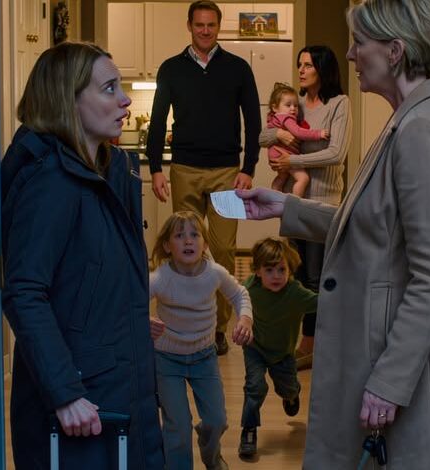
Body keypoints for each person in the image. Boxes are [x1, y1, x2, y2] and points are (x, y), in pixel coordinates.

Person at [237, 0, 430, 468]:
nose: (349, 55)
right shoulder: (408, 120)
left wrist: (390, 381)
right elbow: (378, 224)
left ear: (395, 52)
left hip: (386, 361)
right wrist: (288, 207)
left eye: (359, 43)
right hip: (375, 349)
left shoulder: (420, 133)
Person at [1, 42, 164, 468]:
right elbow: (24, 292)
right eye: (110, 88)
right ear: (66, 100)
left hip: (116, 385)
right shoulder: (50, 182)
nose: (124, 100)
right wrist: (65, 392)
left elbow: (84, 276)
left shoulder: (108, 172)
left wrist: (126, 316)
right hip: (84, 399)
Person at [146, 0, 262, 356]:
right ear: (190, 26)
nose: (205, 31)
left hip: (227, 170)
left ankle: (217, 328)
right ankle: (184, 321)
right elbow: (158, 120)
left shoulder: (238, 68)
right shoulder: (171, 68)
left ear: (218, 27)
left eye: (211, 25)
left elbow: (253, 121)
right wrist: (155, 168)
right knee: (186, 249)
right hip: (184, 169)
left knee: (223, 249)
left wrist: (248, 167)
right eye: (199, 25)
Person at [259, 45, 352, 370]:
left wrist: (293, 161)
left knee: (315, 278)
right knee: (294, 275)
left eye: (308, 65)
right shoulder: (295, 104)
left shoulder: (339, 104)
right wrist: (278, 134)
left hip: (323, 203)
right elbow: (264, 135)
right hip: (294, 202)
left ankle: (311, 346)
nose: (301, 70)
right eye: (300, 64)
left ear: (323, 70)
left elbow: (336, 153)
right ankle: (296, 341)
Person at [148, 211, 254, 470]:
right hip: (167, 360)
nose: (188, 241)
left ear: (205, 244)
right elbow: (131, 304)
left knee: (217, 421)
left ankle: (211, 457)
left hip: (204, 357)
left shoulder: (214, 273)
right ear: (167, 246)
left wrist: (245, 319)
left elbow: (239, 294)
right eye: (179, 235)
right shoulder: (160, 278)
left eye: (195, 235)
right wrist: (143, 321)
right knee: (177, 427)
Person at [237, 237, 318, 458]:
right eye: (269, 270)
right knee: (254, 387)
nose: (276, 276)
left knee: (287, 389)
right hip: (255, 348)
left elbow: (322, 303)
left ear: (290, 270)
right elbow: (233, 297)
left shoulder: (295, 293)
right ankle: (249, 430)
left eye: (282, 270)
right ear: (257, 271)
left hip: (283, 353)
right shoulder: (249, 289)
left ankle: (292, 394)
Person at [266, 82, 330, 196]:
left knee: (282, 177)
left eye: (295, 105)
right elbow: (298, 132)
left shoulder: (274, 117)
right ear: (275, 107)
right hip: (282, 153)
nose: (293, 108)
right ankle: (295, 201)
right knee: (303, 178)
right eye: (288, 105)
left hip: (275, 152)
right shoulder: (286, 118)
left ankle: (274, 195)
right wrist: (319, 134)